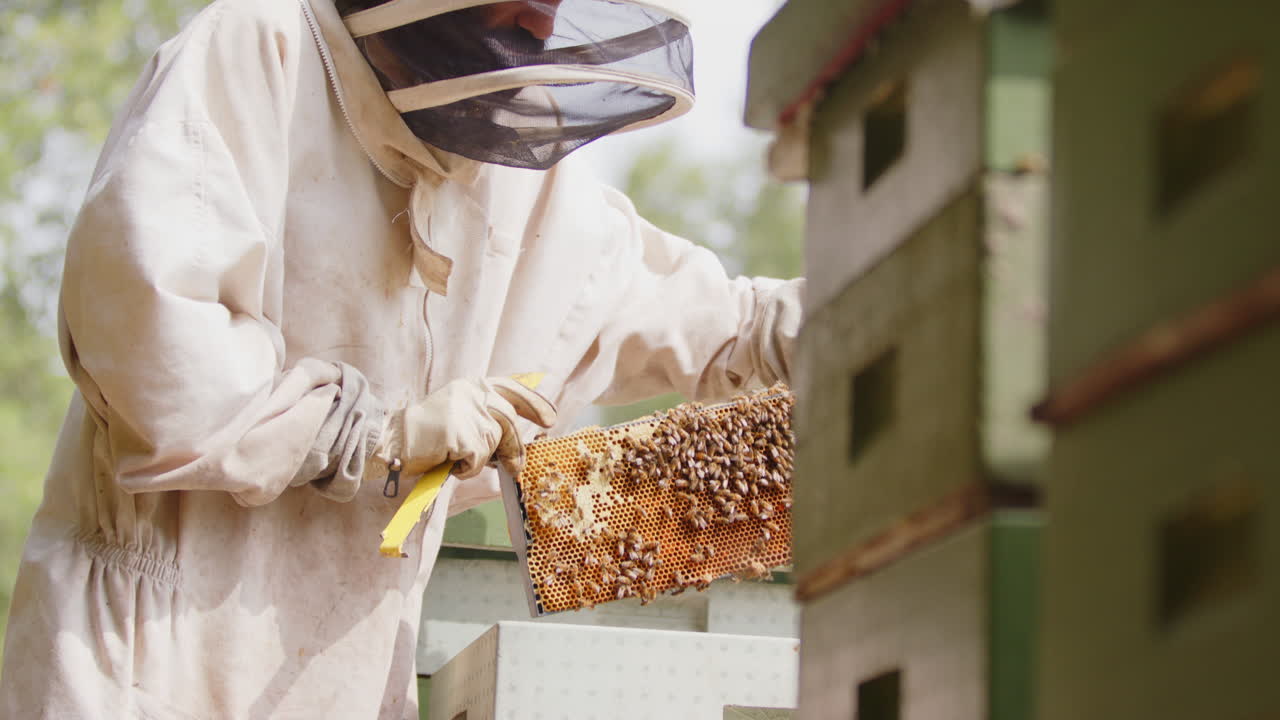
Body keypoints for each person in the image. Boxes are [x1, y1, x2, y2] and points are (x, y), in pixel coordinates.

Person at [0, 0, 803, 717]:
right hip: (145, 669)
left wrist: (906, 287)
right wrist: (376, 433)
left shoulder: (535, 189)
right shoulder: (257, 49)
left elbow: (733, 328)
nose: (545, 22)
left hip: (347, 682)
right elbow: (155, 357)